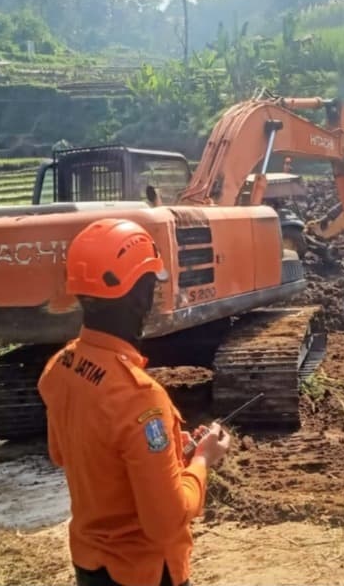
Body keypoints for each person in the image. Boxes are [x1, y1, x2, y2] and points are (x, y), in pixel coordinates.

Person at [38, 218, 231, 586]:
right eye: (151, 287)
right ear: (140, 296)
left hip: (90, 563)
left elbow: (64, 454)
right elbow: (165, 522)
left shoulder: (61, 365)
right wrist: (202, 460)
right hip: (141, 572)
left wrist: (170, 459)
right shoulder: (141, 399)